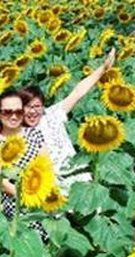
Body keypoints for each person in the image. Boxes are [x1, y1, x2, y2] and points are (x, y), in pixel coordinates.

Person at [13, 48, 116, 193]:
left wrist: (103, 68)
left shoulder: (52, 115)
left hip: (79, 179)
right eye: (28, 107)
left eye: (37, 106)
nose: (33, 111)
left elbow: (78, 92)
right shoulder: (18, 134)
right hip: (53, 190)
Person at [0, 89, 48, 238]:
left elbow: (45, 167)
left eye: (18, 112)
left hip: (40, 201)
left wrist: (40, 198)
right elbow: (2, 182)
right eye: (7, 112)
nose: (13, 116)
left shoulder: (35, 134)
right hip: (15, 208)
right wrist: (28, 199)